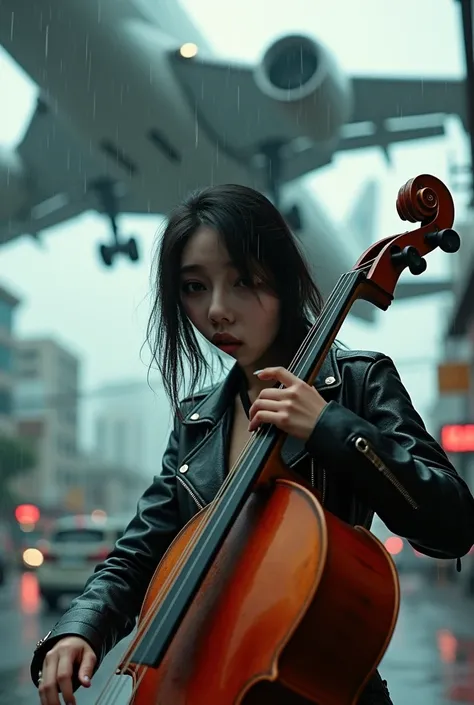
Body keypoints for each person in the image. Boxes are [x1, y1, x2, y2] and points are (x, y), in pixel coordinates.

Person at [32, 184, 474, 705]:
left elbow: (452, 525)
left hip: (320, 685)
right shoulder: (198, 420)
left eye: (242, 281)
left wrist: (331, 426)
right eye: (194, 287)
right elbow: (141, 550)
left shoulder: (359, 383)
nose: (216, 310)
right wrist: (79, 627)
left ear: (283, 279)